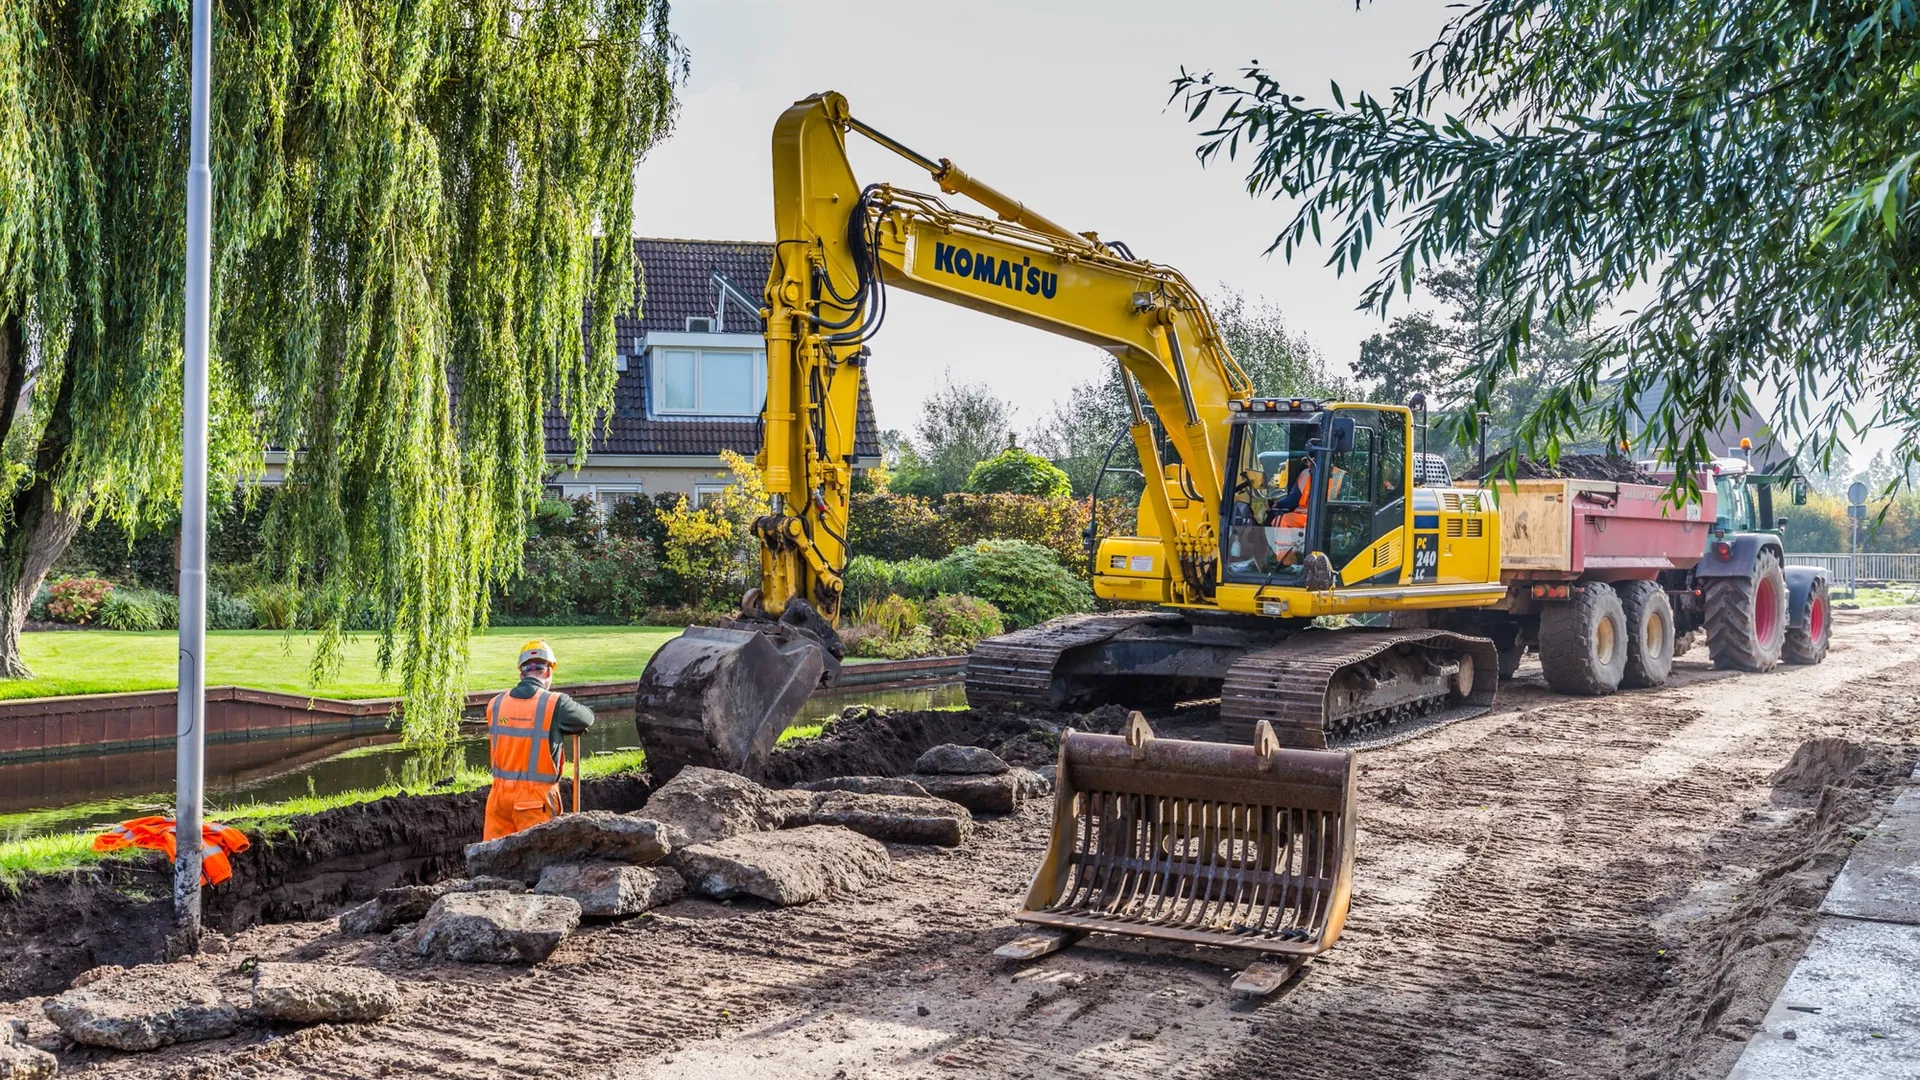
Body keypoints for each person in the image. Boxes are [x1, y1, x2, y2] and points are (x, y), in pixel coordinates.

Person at [482, 640, 596, 841]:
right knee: (539, 861)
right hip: (535, 801)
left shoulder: (495, 704)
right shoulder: (554, 703)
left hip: (498, 799)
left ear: (521, 673)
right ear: (549, 672)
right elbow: (586, 718)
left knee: (493, 861)